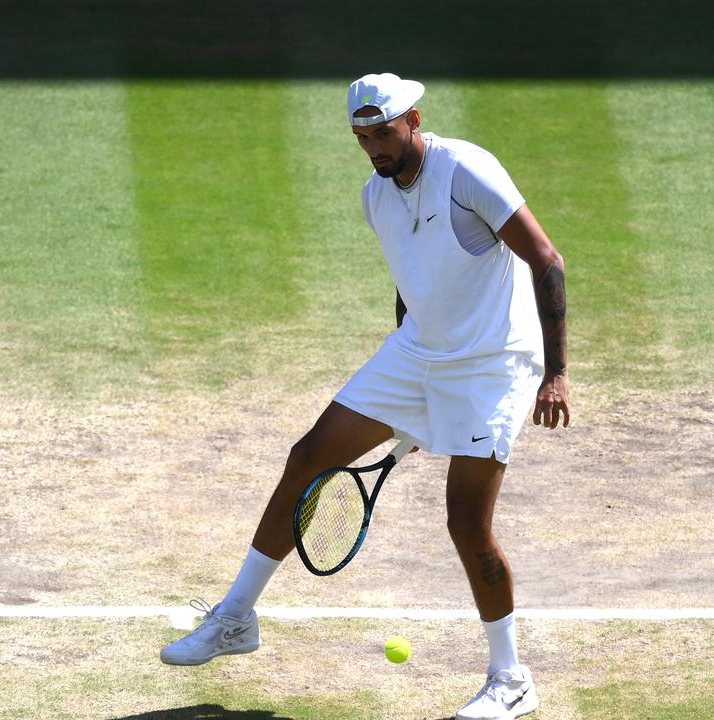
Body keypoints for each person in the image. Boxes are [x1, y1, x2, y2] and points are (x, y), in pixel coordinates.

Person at [160, 72, 569, 720]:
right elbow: (415, 284)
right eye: (363, 137)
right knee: (308, 457)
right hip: (419, 352)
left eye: (384, 133)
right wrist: (410, 397)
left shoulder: (466, 170)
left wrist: (555, 374)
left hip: (496, 363)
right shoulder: (375, 199)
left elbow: (547, 259)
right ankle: (234, 619)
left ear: (413, 120)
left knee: (466, 522)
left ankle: (511, 679)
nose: (376, 147)